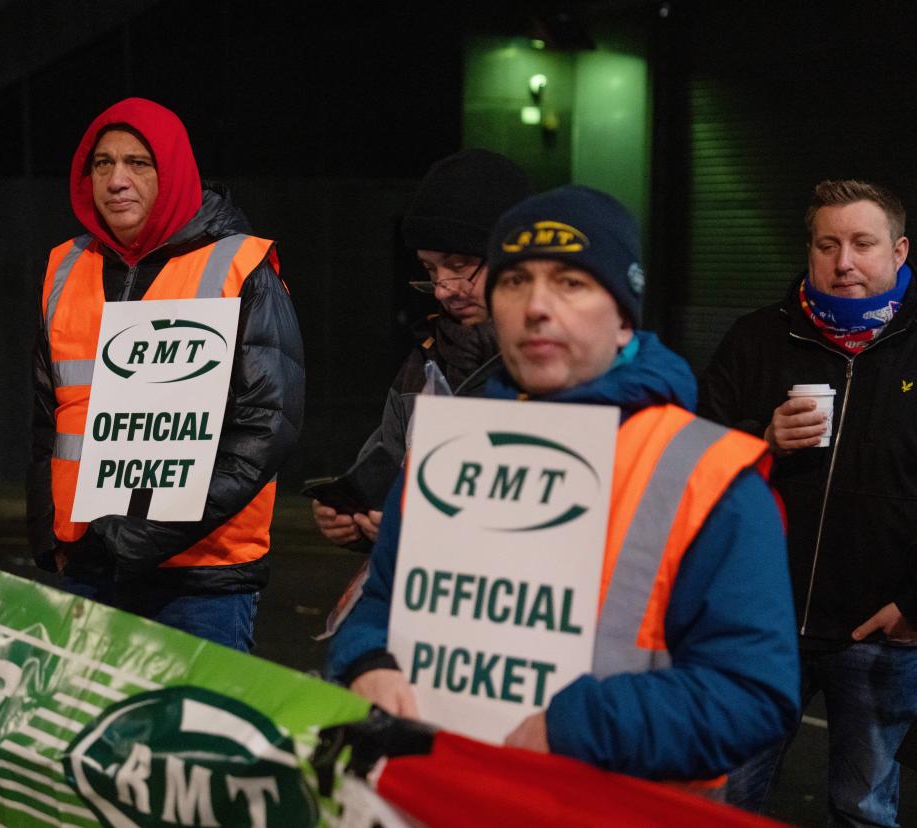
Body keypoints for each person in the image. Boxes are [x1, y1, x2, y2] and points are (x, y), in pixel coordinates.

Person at [327, 185, 799, 783]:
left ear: (625, 318)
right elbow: (379, 603)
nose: (536, 307)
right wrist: (366, 659)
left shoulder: (708, 474)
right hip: (446, 795)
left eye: (571, 282)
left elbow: (753, 694)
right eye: (514, 281)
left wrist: (581, 726)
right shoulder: (444, 453)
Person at [27, 97, 303, 652]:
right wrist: (49, 533)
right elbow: (44, 417)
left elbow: (266, 428)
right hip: (89, 566)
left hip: (202, 579)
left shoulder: (240, 267)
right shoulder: (65, 267)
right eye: (102, 163)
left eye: (138, 163)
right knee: (90, 738)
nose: (117, 180)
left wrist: (143, 534)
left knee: (196, 738)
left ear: (172, 171)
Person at [699, 179, 917, 825]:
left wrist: (915, 606)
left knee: (862, 809)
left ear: (899, 251)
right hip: (760, 622)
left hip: (880, 629)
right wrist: (759, 440)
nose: (843, 261)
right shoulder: (756, 338)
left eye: (862, 243)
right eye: (828, 244)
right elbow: (693, 461)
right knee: (726, 796)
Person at [312, 149, 529, 549]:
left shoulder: (555, 370)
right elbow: (380, 472)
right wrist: (355, 519)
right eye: (430, 271)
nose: (445, 290)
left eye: (460, 265)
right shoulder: (423, 364)